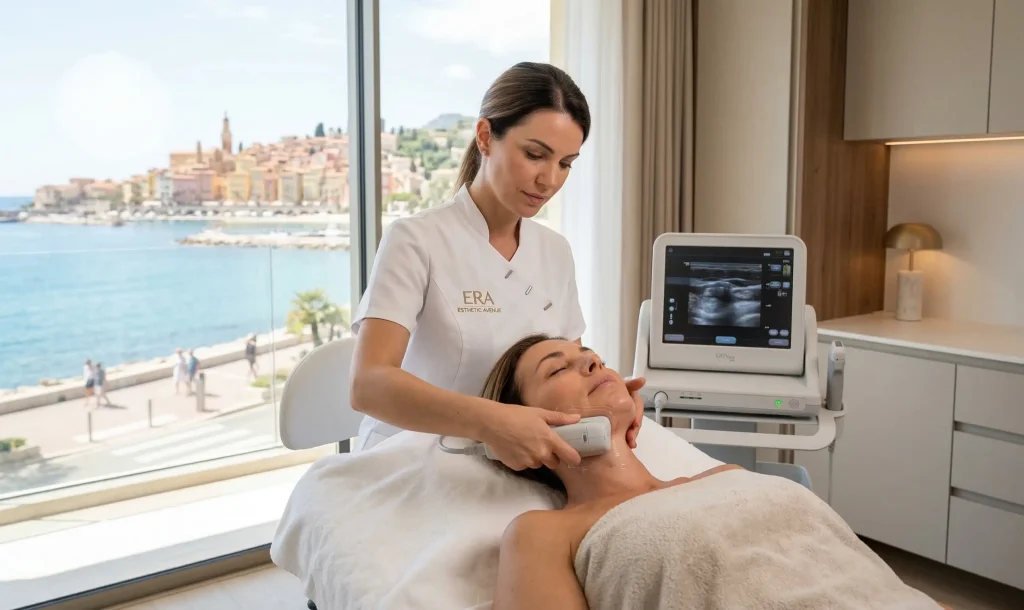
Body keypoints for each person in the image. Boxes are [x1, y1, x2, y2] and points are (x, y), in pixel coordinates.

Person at [485, 334, 951, 610]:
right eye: (557, 369)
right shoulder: (547, 533)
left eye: (591, 355)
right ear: (523, 424)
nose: (592, 360)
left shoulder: (726, 476)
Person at [350, 61, 644, 468]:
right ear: (486, 137)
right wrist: (492, 423)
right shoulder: (417, 240)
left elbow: (570, 374)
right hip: (416, 459)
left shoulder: (554, 251)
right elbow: (368, 385)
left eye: (565, 163)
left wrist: (610, 395)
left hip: (520, 465)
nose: (549, 181)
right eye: (535, 154)